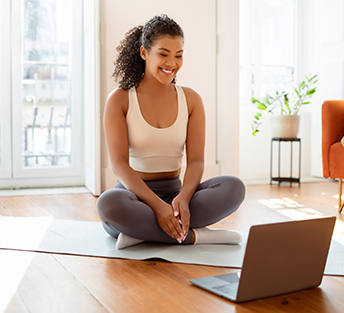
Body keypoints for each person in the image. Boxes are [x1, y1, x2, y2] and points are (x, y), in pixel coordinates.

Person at [97, 14, 245, 250]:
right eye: (163, 54)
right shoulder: (120, 99)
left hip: (177, 196)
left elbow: (196, 161)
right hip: (134, 197)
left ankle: (142, 234)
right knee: (108, 205)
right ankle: (198, 236)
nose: (171, 63)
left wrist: (184, 198)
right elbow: (120, 165)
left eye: (179, 55)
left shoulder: (191, 99)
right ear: (144, 53)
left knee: (234, 188)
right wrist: (158, 207)